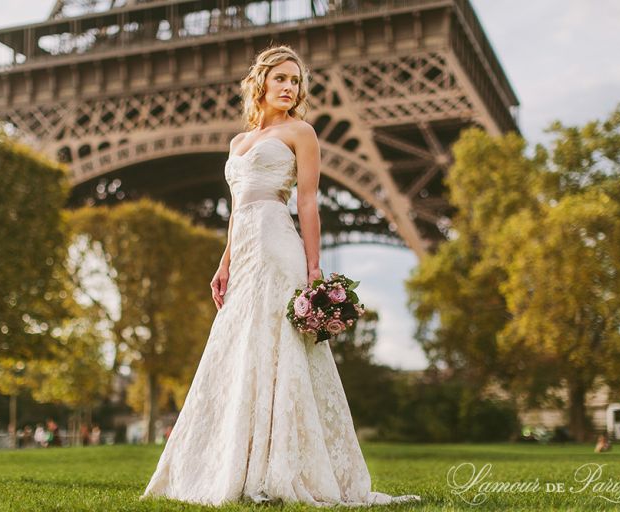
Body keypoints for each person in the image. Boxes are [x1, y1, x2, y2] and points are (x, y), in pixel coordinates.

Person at [140, 45, 420, 506]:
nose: (290, 88)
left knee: (278, 345)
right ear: (262, 84)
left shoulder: (302, 132)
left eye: (296, 81)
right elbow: (237, 210)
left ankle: (280, 467)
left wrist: (313, 266)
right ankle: (243, 463)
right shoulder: (238, 142)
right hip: (246, 249)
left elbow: (306, 201)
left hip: (276, 243)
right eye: (282, 80)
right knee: (241, 345)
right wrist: (224, 262)